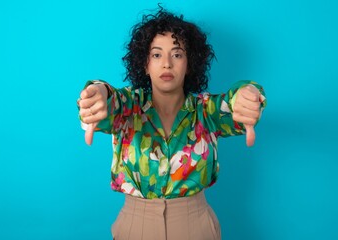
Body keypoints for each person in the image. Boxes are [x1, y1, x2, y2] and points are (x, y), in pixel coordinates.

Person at [77, 6, 266, 240]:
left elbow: (234, 102)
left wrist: (248, 94)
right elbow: (110, 99)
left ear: (189, 63)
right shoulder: (128, 107)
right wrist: (97, 92)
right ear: (145, 64)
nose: (167, 63)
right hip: (135, 226)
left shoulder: (206, 110)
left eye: (177, 54)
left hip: (196, 226)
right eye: (156, 55)